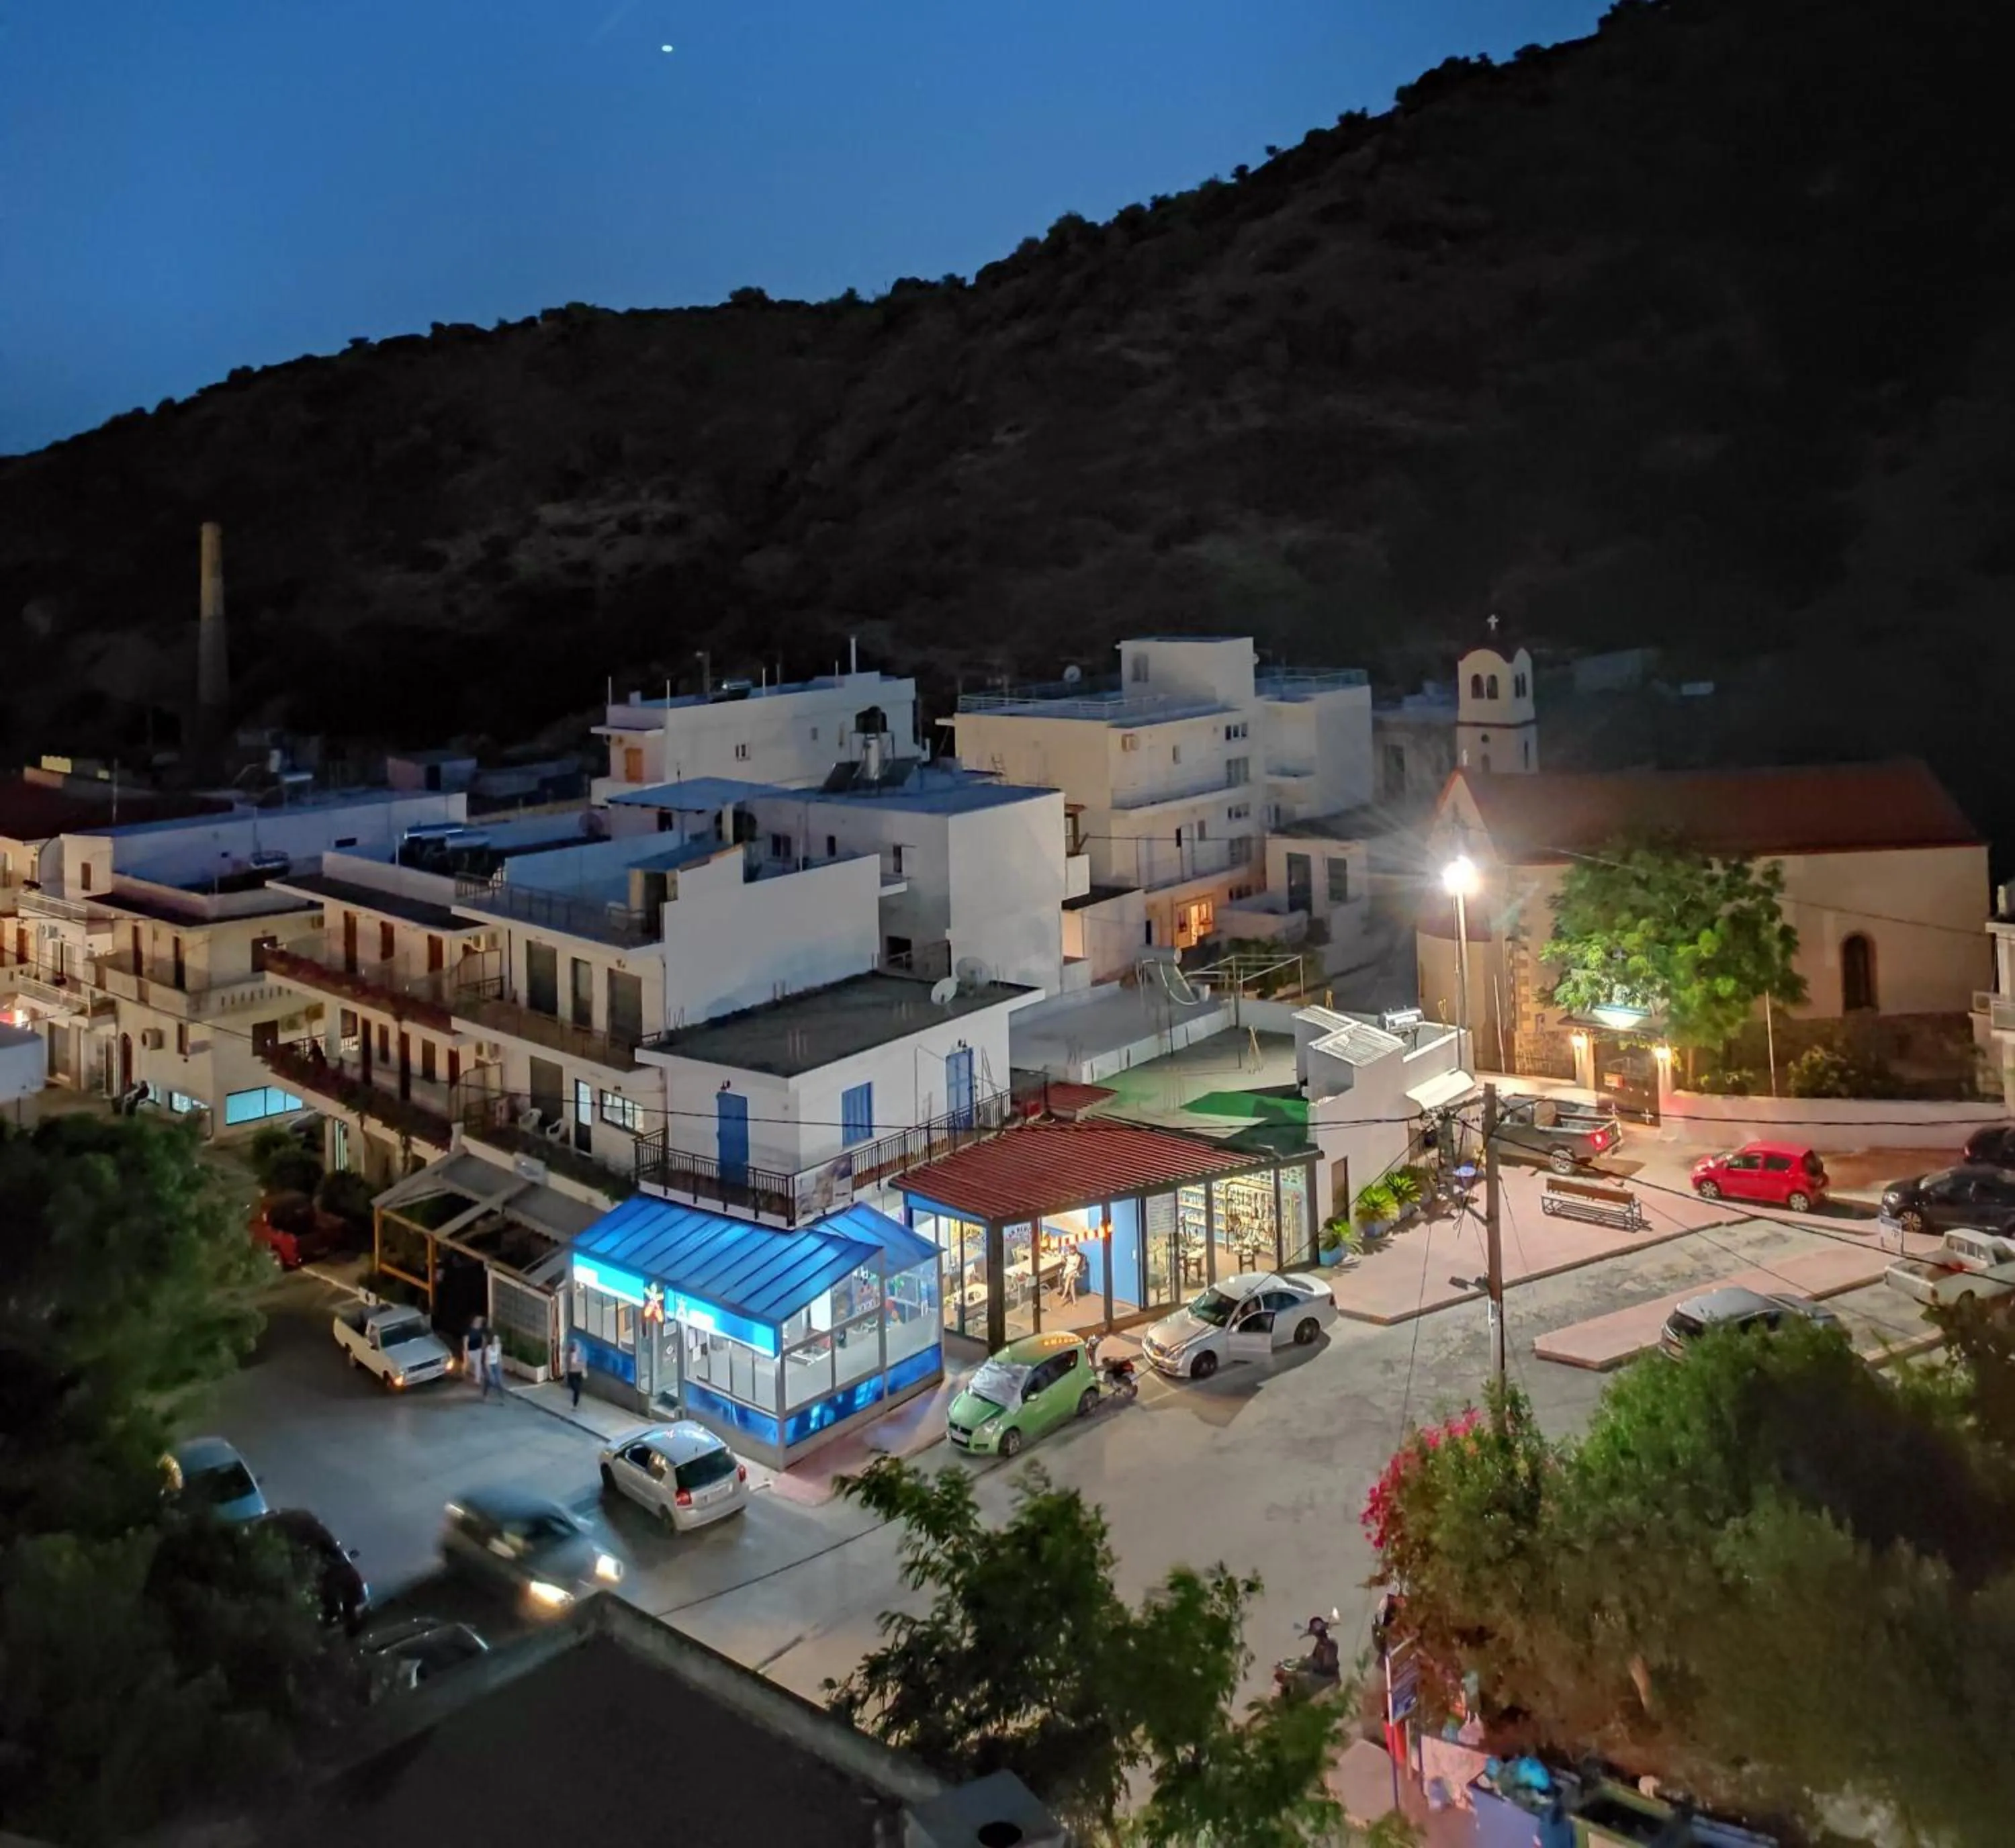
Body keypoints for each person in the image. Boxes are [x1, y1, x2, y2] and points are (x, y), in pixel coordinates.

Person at [464, 1315, 487, 1391]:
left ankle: (477, 1380)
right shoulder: (469, 1330)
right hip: (470, 1350)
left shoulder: (481, 1330)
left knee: (478, 1365)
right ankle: (464, 1371)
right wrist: (466, 1351)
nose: (479, 1323)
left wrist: (483, 1348)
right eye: (478, 1321)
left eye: (480, 1322)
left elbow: (484, 1339)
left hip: (478, 1350)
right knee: (467, 1364)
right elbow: (466, 1340)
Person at [565, 1335, 586, 1410]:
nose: (575, 1348)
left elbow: (582, 1363)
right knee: (576, 1389)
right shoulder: (570, 1355)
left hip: (578, 1373)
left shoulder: (580, 1354)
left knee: (578, 1389)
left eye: (576, 1346)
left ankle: (575, 1404)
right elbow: (570, 1364)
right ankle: (575, 1404)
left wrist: (583, 1370)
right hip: (572, 1374)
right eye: (574, 1346)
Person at [485, 1328, 504, 1399]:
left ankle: (501, 1397)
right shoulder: (488, 1349)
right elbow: (487, 1362)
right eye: (495, 1340)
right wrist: (489, 1372)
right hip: (490, 1365)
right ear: (492, 1340)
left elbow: (499, 1356)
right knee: (491, 1380)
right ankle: (486, 1393)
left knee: (499, 1381)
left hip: (496, 1364)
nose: (496, 1342)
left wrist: (500, 1365)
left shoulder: (499, 1346)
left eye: (497, 1340)